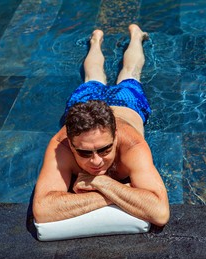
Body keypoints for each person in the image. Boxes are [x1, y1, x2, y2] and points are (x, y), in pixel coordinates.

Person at [32, 24, 170, 227]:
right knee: (93, 75)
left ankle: (136, 36)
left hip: (126, 103)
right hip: (85, 106)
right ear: (70, 144)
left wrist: (101, 182)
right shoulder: (59, 146)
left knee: (130, 72)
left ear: (116, 137)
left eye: (105, 149)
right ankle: (95, 41)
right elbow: (43, 210)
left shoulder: (131, 144)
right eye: (85, 153)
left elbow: (160, 213)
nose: (96, 161)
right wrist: (119, 193)